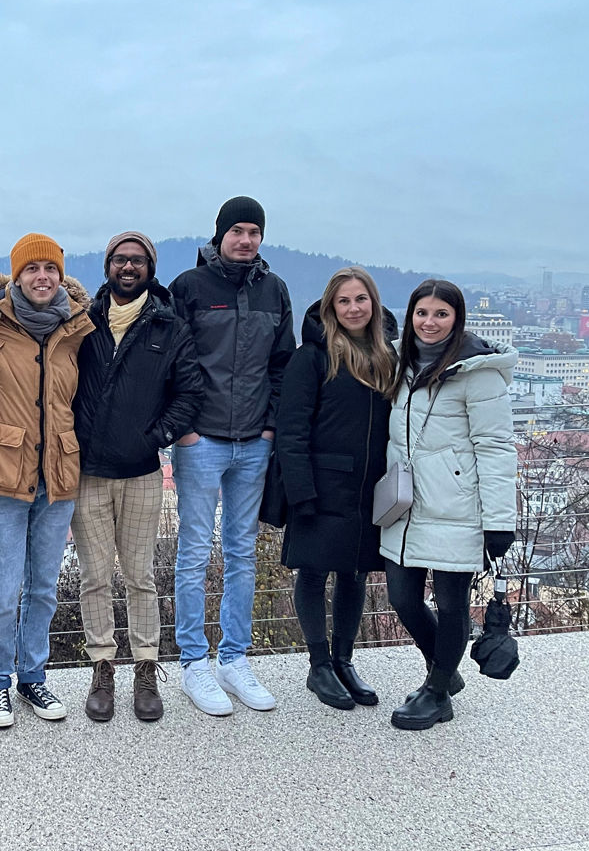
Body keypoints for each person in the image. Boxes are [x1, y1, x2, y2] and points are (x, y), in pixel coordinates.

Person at [168, 196, 295, 715]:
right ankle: (194, 663)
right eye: (238, 230)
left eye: (255, 232)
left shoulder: (275, 289)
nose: (246, 240)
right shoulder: (190, 288)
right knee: (194, 553)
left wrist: (269, 427)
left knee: (243, 552)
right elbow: (173, 360)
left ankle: (235, 657)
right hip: (204, 440)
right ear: (219, 233)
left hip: (253, 442)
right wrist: (187, 429)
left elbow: (283, 363)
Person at [0, 234, 93, 727]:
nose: (42, 277)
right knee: (1, 590)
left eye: (50, 269)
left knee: (43, 588)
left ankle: (32, 675)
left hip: (58, 474)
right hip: (2, 476)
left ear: (61, 277)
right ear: (15, 277)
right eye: (31, 269)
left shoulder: (76, 328)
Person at [70, 232, 201, 722]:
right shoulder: (81, 322)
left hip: (144, 472)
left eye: (137, 260)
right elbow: (20, 302)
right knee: (95, 577)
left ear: (150, 267)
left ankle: (146, 669)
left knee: (141, 577)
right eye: (120, 259)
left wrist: (157, 436)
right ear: (108, 265)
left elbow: (189, 392)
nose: (128, 267)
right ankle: (102, 667)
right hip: (87, 473)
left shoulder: (170, 326)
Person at [382, 279, 517, 730]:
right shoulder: (400, 360)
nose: (430, 322)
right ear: (411, 316)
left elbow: (496, 448)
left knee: (452, 601)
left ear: (457, 318)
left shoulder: (477, 372)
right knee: (402, 597)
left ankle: (437, 692)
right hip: (405, 503)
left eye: (441, 313)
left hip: (458, 505)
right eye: (423, 313)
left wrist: (499, 520)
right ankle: (445, 671)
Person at [276, 267, 397, 710]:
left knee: (355, 573)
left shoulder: (388, 357)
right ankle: (319, 664)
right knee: (312, 572)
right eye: (344, 301)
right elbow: (291, 431)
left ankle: (345, 660)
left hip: (371, 488)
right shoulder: (313, 357)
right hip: (322, 484)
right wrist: (301, 492)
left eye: (360, 299)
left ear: (374, 304)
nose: (353, 308)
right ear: (331, 307)